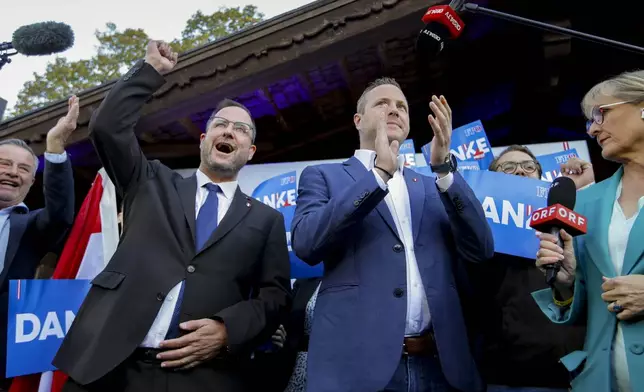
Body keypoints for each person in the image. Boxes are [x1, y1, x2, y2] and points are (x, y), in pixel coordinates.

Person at [53, 40, 291, 392]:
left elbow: (275, 297)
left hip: (202, 377)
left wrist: (227, 329)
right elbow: (107, 128)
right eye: (220, 124)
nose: (229, 131)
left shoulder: (266, 220)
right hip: (108, 370)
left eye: (241, 130)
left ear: (250, 151)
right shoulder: (150, 181)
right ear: (203, 139)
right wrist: (148, 72)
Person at [291, 77, 495, 392]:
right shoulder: (324, 176)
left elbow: (480, 248)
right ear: (358, 121)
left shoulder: (431, 185)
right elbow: (307, 244)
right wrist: (378, 176)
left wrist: (443, 168)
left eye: (401, 106)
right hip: (358, 371)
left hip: (440, 367)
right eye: (382, 103)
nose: (394, 110)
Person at [533, 69, 644, 392]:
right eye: (589, 121)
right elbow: (583, 306)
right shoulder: (584, 202)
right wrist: (566, 284)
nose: (593, 128)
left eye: (601, 113)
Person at [467, 145, 588, 392]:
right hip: (505, 372)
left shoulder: (570, 219)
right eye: (508, 168)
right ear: (493, 180)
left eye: (528, 167)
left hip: (567, 369)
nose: (520, 172)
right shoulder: (478, 230)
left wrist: (580, 188)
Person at [0, 97, 77, 390]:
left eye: (22, 169)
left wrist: (55, 147)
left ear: (32, 182)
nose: (11, 172)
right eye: (4, 164)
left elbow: (60, 214)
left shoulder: (31, 227)